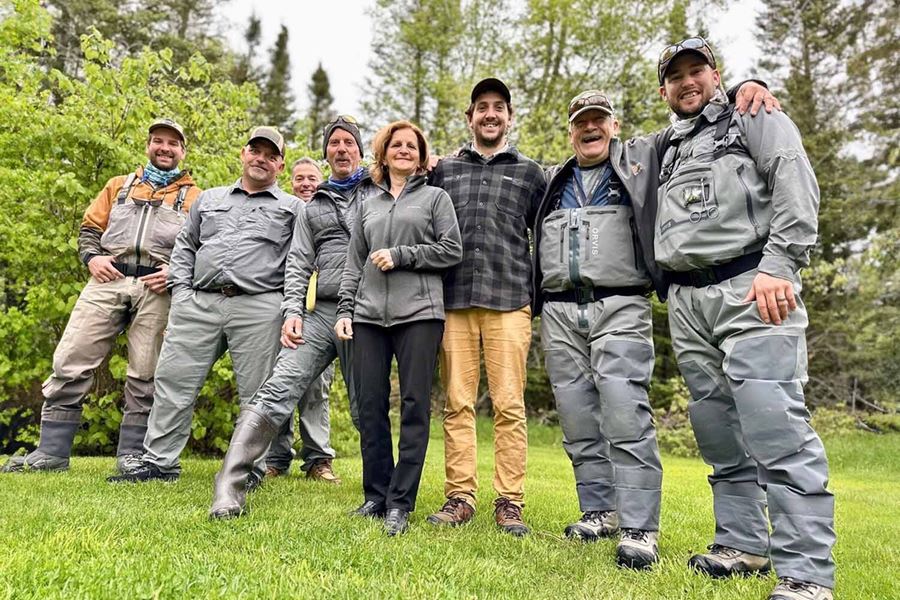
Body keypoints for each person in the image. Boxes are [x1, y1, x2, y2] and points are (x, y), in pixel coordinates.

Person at [653, 37, 835, 600]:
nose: (688, 82)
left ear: (717, 74)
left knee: (774, 423)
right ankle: (742, 543)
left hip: (753, 286)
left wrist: (780, 264)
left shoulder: (752, 115)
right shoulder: (670, 146)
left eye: (697, 70)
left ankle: (807, 572)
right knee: (717, 429)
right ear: (663, 90)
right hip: (688, 300)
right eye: (676, 76)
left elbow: (794, 181)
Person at [1, 119, 200, 475]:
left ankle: (132, 455)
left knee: (146, 370)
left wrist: (176, 272)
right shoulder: (117, 186)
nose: (165, 148)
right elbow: (89, 229)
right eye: (158, 141)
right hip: (108, 279)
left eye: (173, 143)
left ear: (182, 151)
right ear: (148, 145)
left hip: (158, 287)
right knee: (70, 357)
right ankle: (51, 452)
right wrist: (92, 258)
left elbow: (203, 247)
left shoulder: (196, 198)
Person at [107, 126, 300, 485]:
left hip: (259, 306)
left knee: (257, 394)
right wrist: (181, 295)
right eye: (255, 151)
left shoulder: (293, 209)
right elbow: (185, 248)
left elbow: (298, 263)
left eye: (270, 155)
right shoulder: (209, 199)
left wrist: (288, 309)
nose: (261, 159)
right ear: (243, 154)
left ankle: (247, 470)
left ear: (280, 165)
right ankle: (159, 463)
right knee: (173, 381)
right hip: (198, 303)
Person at [205, 116, 375, 519]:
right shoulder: (312, 205)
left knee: (365, 403)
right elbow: (298, 263)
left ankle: (382, 491)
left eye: (349, 142)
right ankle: (230, 486)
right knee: (277, 387)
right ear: (326, 153)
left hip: (366, 311)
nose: (341, 149)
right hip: (319, 313)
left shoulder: (380, 192)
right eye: (334, 143)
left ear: (360, 150)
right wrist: (292, 311)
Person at [532, 92, 662, 568]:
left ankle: (640, 528)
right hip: (559, 311)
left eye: (599, 120)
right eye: (581, 122)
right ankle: (599, 511)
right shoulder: (553, 180)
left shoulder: (640, 164)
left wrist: (745, 88)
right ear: (571, 131)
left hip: (620, 303)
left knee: (626, 412)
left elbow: (690, 126)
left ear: (614, 125)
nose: (591, 128)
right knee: (577, 418)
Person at [426, 78, 546, 536]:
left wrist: (536, 296)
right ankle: (460, 497)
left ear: (509, 117)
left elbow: (545, 238)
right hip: (454, 301)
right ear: (470, 117)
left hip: (510, 300)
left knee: (509, 405)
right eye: (482, 107)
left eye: (498, 107)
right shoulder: (445, 171)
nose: (490, 114)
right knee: (457, 403)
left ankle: (509, 502)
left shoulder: (531, 174)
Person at [335, 120, 462, 536]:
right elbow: (354, 262)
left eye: (412, 145)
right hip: (369, 316)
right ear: (384, 153)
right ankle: (376, 495)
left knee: (413, 406)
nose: (404, 150)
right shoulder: (368, 204)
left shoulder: (435, 198)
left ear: (421, 156)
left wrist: (403, 255)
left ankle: (400, 502)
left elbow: (452, 250)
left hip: (420, 315)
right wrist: (345, 310)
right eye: (397, 144)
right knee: (370, 405)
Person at [265, 157, 339, 484]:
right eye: (299, 178)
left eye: (311, 178)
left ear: (321, 180)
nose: (306, 183)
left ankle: (318, 459)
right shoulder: (283, 211)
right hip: (279, 305)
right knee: (279, 380)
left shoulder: (331, 210)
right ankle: (276, 457)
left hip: (319, 308)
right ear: (290, 182)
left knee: (316, 386)